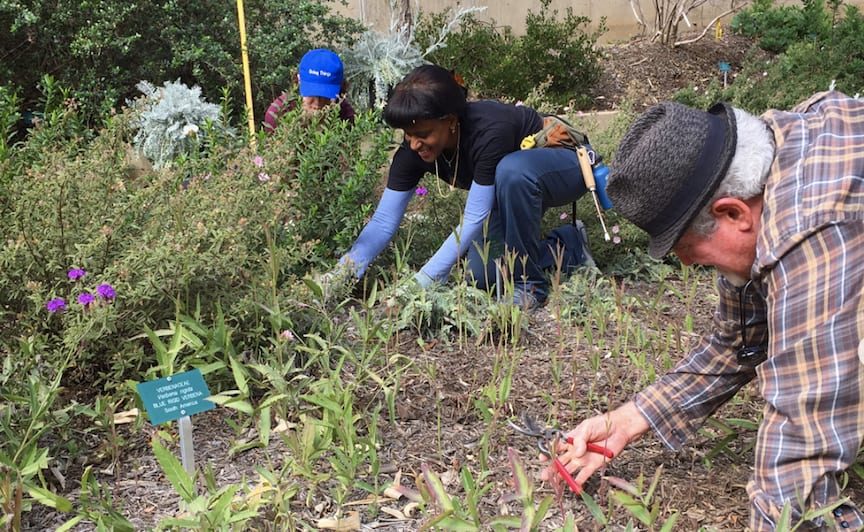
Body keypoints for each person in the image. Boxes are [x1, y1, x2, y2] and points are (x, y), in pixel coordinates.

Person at [544, 91, 864, 530]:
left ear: (732, 213)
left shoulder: (812, 224)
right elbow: (739, 343)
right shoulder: (768, 157)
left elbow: (803, 421)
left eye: (688, 250)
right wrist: (623, 420)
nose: (689, 265)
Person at [328, 64, 602, 308]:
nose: (414, 144)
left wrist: (420, 283)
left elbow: (475, 217)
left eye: (423, 134)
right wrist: (338, 278)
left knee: (513, 170)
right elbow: (383, 222)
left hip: (564, 165)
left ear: (450, 121)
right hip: (509, 187)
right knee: (483, 273)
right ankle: (570, 245)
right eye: (408, 135)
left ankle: (528, 286)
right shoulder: (412, 152)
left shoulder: (488, 132)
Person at [262, 48, 355, 133]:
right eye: (312, 94)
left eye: (326, 96)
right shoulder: (277, 114)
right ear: (299, 81)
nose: (318, 104)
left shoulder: (346, 117)